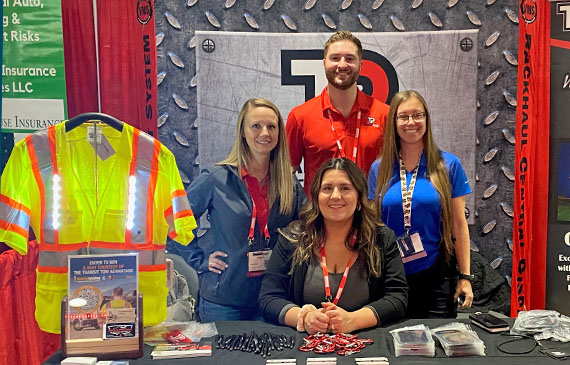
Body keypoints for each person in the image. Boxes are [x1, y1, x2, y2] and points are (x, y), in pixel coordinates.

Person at [178, 98, 306, 322]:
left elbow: (309, 222)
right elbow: (176, 222)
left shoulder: (288, 182)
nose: (264, 133)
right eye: (256, 126)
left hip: (273, 298)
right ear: (243, 132)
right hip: (224, 301)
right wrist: (199, 259)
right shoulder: (216, 178)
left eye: (271, 126)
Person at [259, 158, 407, 334]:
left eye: (345, 188)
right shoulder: (293, 238)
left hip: (364, 345)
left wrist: (353, 321)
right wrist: (303, 318)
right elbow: (268, 297)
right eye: (327, 188)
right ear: (316, 197)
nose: (335, 196)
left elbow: (397, 297)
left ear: (359, 198)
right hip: (306, 347)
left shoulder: (381, 239)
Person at [367, 90, 473, 318]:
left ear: (427, 119)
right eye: (403, 116)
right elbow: (371, 224)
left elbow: (458, 224)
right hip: (389, 277)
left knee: (434, 347)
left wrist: (465, 277)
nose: (411, 122)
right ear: (393, 122)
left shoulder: (448, 165)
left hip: (435, 275)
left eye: (417, 115)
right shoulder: (379, 168)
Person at [286, 30, 390, 196]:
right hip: (320, 218)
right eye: (335, 58)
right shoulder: (300, 117)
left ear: (361, 65)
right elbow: (286, 173)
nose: (342, 65)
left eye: (350, 59)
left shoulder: (385, 115)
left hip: (371, 216)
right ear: (324, 63)